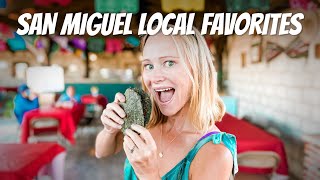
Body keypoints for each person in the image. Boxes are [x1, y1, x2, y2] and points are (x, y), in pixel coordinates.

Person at [95, 26, 238, 180]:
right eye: (149, 66)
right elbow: (101, 152)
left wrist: (148, 174)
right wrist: (110, 130)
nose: (155, 78)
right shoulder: (147, 121)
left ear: (198, 69)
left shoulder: (215, 152)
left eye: (169, 63)